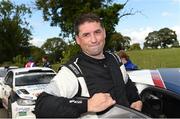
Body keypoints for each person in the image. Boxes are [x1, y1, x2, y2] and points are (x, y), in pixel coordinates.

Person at [34, 13, 142, 118]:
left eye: (97, 32)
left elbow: (126, 82)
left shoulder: (115, 58)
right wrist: (87, 104)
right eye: (86, 35)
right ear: (78, 40)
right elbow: (42, 105)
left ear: (104, 33)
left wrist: (135, 99)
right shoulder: (72, 71)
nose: (94, 40)